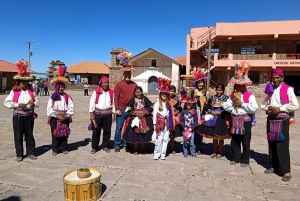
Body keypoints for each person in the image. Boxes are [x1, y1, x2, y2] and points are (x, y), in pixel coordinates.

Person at [261, 68, 299, 181]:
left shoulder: (288, 89)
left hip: (282, 120)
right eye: (273, 78)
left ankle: (287, 171)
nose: (275, 80)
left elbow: (295, 105)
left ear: (282, 78)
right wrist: (267, 109)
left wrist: (280, 108)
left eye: (277, 78)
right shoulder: (270, 89)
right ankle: (274, 166)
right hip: (271, 119)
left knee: (282, 144)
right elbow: (264, 104)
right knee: (271, 143)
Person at [222, 61, 258, 167]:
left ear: (245, 85)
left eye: (242, 85)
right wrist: (233, 104)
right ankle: (236, 157)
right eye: (238, 85)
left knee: (246, 141)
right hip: (235, 120)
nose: (239, 87)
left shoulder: (250, 96)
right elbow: (225, 106)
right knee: (235, 141)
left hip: (245, 121)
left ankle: (245, 160)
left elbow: (254, 108)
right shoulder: (232, 95)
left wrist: (242, 104)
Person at [4, 60, 39, 162]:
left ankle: (31, 153)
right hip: (18, 117)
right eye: (21, 81)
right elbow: (7, 102)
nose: (23, 83)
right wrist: (17, 105)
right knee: (18, 135)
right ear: (18, 82)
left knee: (29, 135)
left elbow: (37, 101)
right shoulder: (14, 92)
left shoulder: (31, 92)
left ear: (27, 82)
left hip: (29, 116)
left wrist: (34, 104)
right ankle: (19, 154)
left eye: (25, 81)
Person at [196, 83, 231, 159]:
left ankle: (219, 152)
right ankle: (215, 151)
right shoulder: (212, 98)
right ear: (215, 90)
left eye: (220, 90)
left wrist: (220, 112)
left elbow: (228, 109)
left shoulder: (226, 98)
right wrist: (211, 111)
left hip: (222, 118)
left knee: (221, 136)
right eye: (217, 90)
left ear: (223, 90)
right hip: (213, 118)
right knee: (214, 136)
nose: (219, 92)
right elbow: (207, 107)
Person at [47, 65, 74, 156]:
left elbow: (71, 107)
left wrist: (66, 115)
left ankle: (64, 148)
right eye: (59, 87)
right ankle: (55, 149)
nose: (61, 89)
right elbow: (49, 108)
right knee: (54, 133)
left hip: (65, 117)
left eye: (62, 87)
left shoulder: (67, 97)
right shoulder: (52, 97)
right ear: (56, 87)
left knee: (64, 133)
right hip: (55, 118)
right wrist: (56, 115)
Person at [114, 51, 137, 152]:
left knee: (129, 128)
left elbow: (136, 97)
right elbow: (116, 97)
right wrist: (116, 109)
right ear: (123, 74)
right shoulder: (119, 84)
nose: (127, 75)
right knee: (119, 128)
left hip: (130, 110)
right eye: (126, 73)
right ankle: (117, 144)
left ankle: (127, 143)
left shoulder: (134, 85)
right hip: (121, 110)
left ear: (131, 74)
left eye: (129, 73)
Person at [122, 86, 154, 155]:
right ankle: (135, 149)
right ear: (134, 93)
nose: (138, 93)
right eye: (136, 92)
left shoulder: (145, 99)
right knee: (135, 133)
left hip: (144, 118)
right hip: (135, 118)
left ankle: (142, 149)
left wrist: (145, 113)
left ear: (141, 92)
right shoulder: (133, 99)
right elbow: (128, 108)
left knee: (143, 133)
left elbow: (150, 107)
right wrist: (135, 114)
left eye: (139, 92)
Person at [89, 76, 115, 154]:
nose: (105, 84)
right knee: (96, 131)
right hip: (98, 114)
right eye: (104, 83)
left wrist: (113, 113)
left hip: (108, 114)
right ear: (101, 83)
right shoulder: (96, 91)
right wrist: (91, 113)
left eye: (106, 83)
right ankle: (94, 147)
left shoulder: (111, 92)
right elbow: (92, 102)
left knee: (107, 131)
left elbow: (114, 103)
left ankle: (105, 146)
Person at [153, 77, 175, 160]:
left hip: (167, 123)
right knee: (159, 139)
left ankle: (163, 154)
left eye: (165, 94)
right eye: (162, 94)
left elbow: (171, 114)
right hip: (159, 123)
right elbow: (155, 113)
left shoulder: (169, 103)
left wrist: (171, 124)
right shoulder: (157, 103)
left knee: (165, 139)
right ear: (160, 94)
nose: (164, 95)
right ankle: (156, 153)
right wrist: (154, 124)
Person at [193, 68, 208, 154]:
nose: (200, 84)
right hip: (194, 112)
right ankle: (193, 146)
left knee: (199, 130)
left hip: (202, 113)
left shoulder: (206, 92)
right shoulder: (193, 92)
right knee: (193, 129)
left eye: (201, 82)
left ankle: (198, 147)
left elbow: (208, 104)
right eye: (198, 82)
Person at [179, 87, 198, 157]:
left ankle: (192, 151)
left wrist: (192, 128)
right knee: (185, 142)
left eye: (190, 104)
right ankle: (185, 151)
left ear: (192, 104)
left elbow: (196, 121)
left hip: (191, 130)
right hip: (185, 130)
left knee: (192, 142)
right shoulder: (183, 112)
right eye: (187, 103)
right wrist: (184, 127)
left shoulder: (194, 112)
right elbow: (181, 121)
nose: (188, 105)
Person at [169, 85, 182, 154]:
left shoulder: (177, 99)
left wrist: (176, 112)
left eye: (173, 91)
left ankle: (172, 148)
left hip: (175, 117)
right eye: (171, 91)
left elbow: (179, 108)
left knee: (172, 134)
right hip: (167, 117)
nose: (172, 92)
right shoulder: (165, 98)